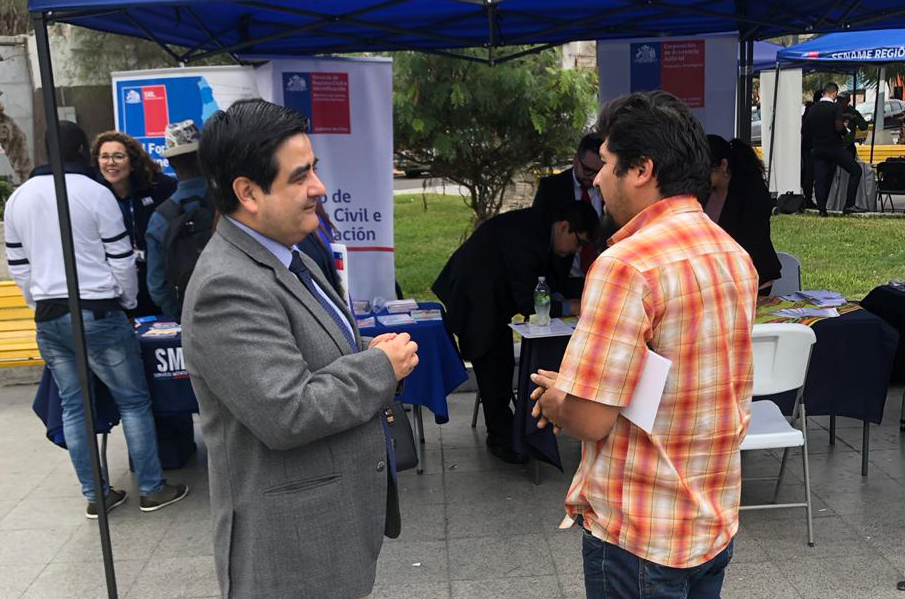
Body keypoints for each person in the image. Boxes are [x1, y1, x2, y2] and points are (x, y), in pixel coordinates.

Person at [181, 99, 419, 599]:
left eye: (315, 169)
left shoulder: (288, 255)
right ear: (247, 192)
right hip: (291, 556)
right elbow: (286, 411)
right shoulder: (227, 285)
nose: (318, 188)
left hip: (328, 535)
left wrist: (365, 351)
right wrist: (378, 368)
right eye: (299, 176)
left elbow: (316, 358)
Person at [530, 91, 759, 599]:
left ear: (641, 169)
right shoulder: (733, 254)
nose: (596, 178)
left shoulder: (626, 264)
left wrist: (555, 400)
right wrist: (577, 390)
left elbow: (591, 419)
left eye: (607, 163)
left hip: (639, 534)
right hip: (710, 520)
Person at [5, 121, 188, 519]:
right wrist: (123, 301)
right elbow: (121, 259)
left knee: (74, 408)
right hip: (100, 310)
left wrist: (38, 300)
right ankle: (153, 490)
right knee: (135, 403)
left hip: (49, 315)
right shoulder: (94, 193)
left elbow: (18, 266)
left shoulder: (18, 199)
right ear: (84, 151)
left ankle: (97, 495)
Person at [432, 202, 599, 464]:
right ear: (564, 227)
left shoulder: (543, 231)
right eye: (578, 243)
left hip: (492, 296)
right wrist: (568, 305)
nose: (576, 251)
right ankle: (501, 438)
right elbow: (527, 300)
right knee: (492, 364)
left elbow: (545, 283)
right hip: (475, 297)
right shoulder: (528, 238)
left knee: (501, 362)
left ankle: (507, 431)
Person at [91, 131, 178, 315]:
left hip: (159, 281)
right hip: (117, 287)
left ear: (132, 163)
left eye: (118, 156)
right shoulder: (93, 194)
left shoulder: (160, 187)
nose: (110, 162)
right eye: (104, 157)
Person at [145, 120, 208, 320]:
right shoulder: (230, 202)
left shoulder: (160, 218)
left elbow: (157, 287)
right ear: (203, 157)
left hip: (190, 319)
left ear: (171, 163)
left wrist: (181, 316)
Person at [707, 134, 782, 293]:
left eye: (704, 169)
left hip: (752, 276)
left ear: (723, 165)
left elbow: (750, 242)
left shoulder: (752, 192)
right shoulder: (706, 193)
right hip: (717, 278)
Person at [533, 134, 604, 298]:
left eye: (598, 172)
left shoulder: (606, 189)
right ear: (575, 160)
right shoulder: (551, 187)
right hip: (560, 278)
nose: (591, 176)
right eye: (587, 170)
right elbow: (540, 232)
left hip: (597, 278)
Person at [803, 82, 864, 215]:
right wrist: (845, 132)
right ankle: (849, 205)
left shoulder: (812, 109)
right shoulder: (835, 107)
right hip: (834, 147)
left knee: (820, 178)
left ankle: (822, 209)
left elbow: (805, 130)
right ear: (835, 94)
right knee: (856, 171)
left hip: (818, 148)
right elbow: (838, 127)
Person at [801, 89, 823, 209]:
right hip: (810, 147)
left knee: (810, 174)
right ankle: (808, 199)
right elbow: (805, 130)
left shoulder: (810, 110)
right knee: (810, 174)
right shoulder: (812, 110)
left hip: (810, 146)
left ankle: (809, 198)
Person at [839, 92, 868, 159]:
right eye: (839, 100)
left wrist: (854, 118)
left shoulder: (853, 112)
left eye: (843, 100)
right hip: (835, 146)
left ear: (848, 101)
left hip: (848, 147)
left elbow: (864, 126)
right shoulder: (834, 110)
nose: (840, 102)